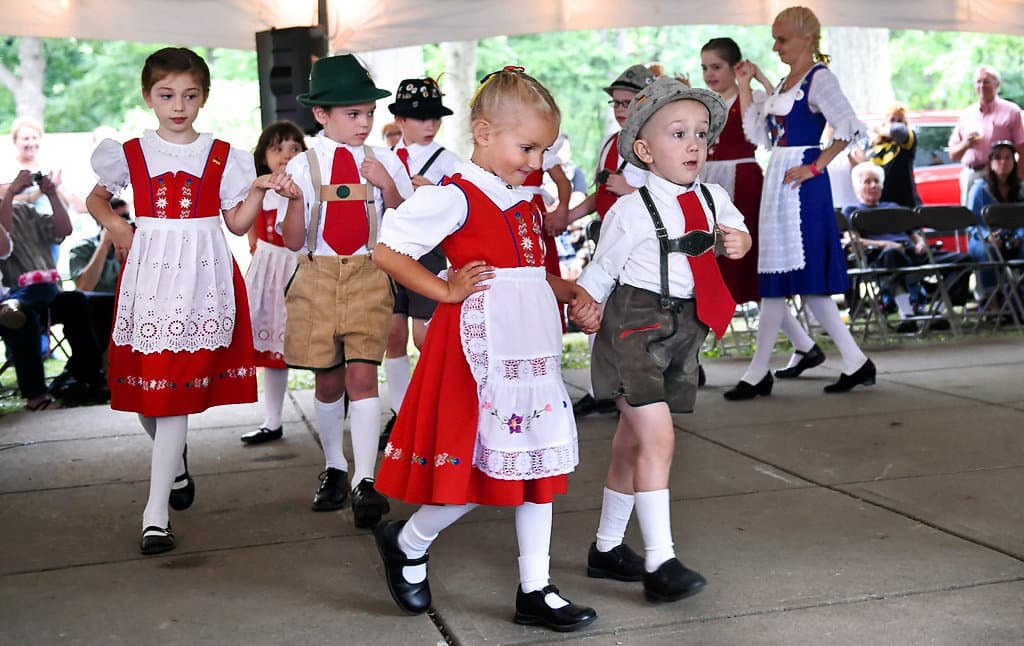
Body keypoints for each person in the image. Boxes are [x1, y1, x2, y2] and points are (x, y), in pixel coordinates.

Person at [370, 66, 600, 632]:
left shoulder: (521, 200)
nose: (536, 162)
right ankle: (410, 539)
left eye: (543, 150)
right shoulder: (457, 195)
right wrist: (446, 289)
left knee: (535, 464)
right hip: (482, 352)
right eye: (527, 147)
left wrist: (573, 292)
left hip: (531, 347)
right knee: (481, 466)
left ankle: (536, 587)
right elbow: (388, 250)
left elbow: (530, 274)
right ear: (483, 132)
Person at [573, 78, 750, 603]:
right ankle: (660, 560)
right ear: (645, 151)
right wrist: (584, 303)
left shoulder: (713, 197)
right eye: (678, 134)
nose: (694, 143)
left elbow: (735, 236)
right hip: (634, 326)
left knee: (632, 441)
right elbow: (602, 270)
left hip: (683, 330)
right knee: (658, 436)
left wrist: (737, 242)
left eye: (700, 133)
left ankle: (606, 549)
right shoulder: (631, 209)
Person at [86, 47, 261, 555]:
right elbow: (97, 197)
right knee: (151, 394)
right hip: (150, 277)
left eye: (189, 95)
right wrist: (118, 226)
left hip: (202, 277)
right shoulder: (131, 151)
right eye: (167, 95)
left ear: (204, 97)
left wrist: (262, 190)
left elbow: (236, 222)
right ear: (148, 97)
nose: (178, 105)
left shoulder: (223, 153)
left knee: (172, 398)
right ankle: (177, 465)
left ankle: (155, 515)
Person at [276, 54, 413, 526]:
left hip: (369, 274)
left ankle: (365, 480)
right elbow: (294, 240)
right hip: (316, 275)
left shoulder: (386, 161)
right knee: (328, 378)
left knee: (362, 374)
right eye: (353, 115)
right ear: (321, 115)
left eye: (370, 114)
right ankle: (334, 465)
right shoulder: (301, 166)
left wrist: (389, 190)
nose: (364, 124)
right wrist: (294, 203)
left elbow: (405, 223)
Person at [728, 5, 876, 399]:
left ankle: (759, 372)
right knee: (780, 278)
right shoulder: (785, 82)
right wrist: (747, 83)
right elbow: (759, 133)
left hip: (801, 182)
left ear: (807, 39)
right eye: (775, 39)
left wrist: (816, 167)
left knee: (795, 279)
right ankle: (855, 361)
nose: (776, 47)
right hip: (780, 175)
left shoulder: (819, 79)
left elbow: (849, 128)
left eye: (783, 39)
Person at [567, 63, 656, 417]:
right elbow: (600, 193)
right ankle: (599, 387)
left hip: (639, 244)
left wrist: (630, 189)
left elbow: (672, 196)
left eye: (627, 102)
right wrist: (568, 216)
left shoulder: (654, 142)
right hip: (607, 237)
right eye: (616, 103)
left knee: (632, 317)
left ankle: (635, 388)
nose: (620, 109)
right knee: (593, 308)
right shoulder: (610, 143)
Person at [382, 78, 461, 444]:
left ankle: (438, 408)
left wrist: (434, 191)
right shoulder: (383, 158)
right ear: (399, 120)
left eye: (435, 118)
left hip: (431, 252)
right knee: (392, 334)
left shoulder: (450, 161)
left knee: (425, 334)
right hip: (388, 248)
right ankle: (402, 414)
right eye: (420, 118)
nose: (429, 125)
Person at [0, 171, 107, 411]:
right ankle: (36, 396)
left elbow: (63, 230)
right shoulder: (6, 209)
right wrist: (12, 194)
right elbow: (3, 241)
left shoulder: (26, 211)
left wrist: (51, 194)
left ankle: (85, 377)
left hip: (48, 290)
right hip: (14, 294)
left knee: (81, 301)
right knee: (21, 316)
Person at [238, 120, 307, 445]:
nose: (286, 154)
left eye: (295, 148)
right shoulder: (259, 190)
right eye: (277, 148)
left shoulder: (305, 188)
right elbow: (248, 223)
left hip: (298, 270)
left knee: (314, 343)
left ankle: (340, 400)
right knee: (273, 350)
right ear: (263, 155)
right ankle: (273, 419)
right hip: (268, 272)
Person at [843, 162, 967, 332]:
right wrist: (884, 244)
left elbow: (914, 232)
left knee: (963, 260)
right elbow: (853, 241)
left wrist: (920, 242)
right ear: (857, 186)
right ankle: (907, 315)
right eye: (867, 182)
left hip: (912, 252)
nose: (873, 185)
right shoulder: (851, 210)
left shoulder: (894, 207)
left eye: (876, 181)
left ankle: (936, 313)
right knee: (892, 254)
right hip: (882, 256)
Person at [700, 37, 769, 306]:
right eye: (705, 68)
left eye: (716, 67)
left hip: (743, 180)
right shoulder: (705, 103)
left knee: (744, 255)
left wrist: (748, 84)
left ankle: (798, 339)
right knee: (714, 253)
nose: (709, 74)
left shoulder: (751, 98)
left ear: (734, 66)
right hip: (710, 180)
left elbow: (753, 133)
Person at [948, 65, 1024, 204]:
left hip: (1002, 178)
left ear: (997, 85)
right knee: (971, 220)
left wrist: (1018, 178)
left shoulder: (1011, 111)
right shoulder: (967, 114)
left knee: (1004, 218)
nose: (982, 85)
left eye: (987, 81)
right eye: (978, 82)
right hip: (972, 174)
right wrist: (966, 144)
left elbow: (1021, 148)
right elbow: (953, 155)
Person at [966, 140, 1024, 307]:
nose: (1003, 162)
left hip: (1014, 238)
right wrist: (988, 236)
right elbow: (972, 223)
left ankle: (1018, 301)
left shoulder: (1020, 189)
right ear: (990, 163)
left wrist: (1019, 236)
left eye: (1008, 158)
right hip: (982, 239)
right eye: (998, 158)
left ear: (1014, 162)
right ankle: (993, 306)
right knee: (989, 251)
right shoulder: (979, 189)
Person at [67, 197, 128, 350]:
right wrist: (105, 243)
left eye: (126, 217)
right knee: (76, 302)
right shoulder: (83, 248)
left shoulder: (139, 247)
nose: (124, 223)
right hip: (97, 311)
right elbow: (84, 286)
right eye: (118, 219)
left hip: (130, 308)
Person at [866, 103, 923, 208]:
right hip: (879, 203)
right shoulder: (872, 143)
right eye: (892, 120)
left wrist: (877, 128)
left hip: (904, 203)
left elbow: (898, 130)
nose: (896, 124)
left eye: (900, 121)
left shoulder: (908, 137)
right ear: (885, 121)